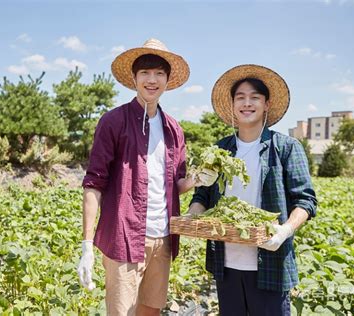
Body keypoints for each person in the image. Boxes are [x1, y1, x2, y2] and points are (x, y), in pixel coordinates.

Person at [77, 38, 217, 316]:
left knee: (151, 311)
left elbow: (173, 186)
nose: (152, 80)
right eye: (145, 73)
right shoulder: (113, 122)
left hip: (162, 238)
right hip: (123, 237)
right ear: (134, 78)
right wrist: (86, 245)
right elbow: (93, 184)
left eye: (159, 74)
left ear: (167, 80)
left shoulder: (173, 129)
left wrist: (196, 180)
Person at [188, 64, 317, 315]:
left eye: (254, 97)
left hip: (270, 265)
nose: (247, 103)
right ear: (233, 105)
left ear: (266, 104)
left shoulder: (286, 147)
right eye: (240, 97)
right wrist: (194, 215)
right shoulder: (221, 150)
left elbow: (306, 200)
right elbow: (201, 196)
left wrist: (284, 231)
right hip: (226, 264)